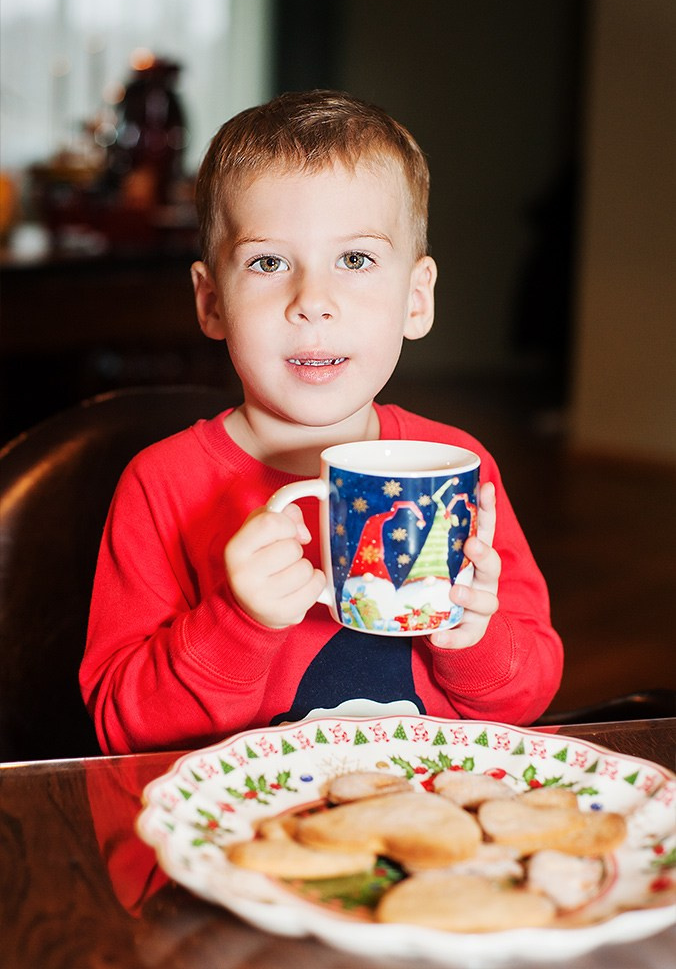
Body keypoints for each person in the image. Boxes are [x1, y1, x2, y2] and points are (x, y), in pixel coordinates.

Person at [80, 90, 563, 754]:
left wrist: (474, 639)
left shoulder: (458, 465)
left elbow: (530, 693)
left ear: (416, 300)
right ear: (212, 301)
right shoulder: (159, 486)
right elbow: (120, 729)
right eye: (269, 262)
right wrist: (236, 621)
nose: (313, 302)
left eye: (356, 260)